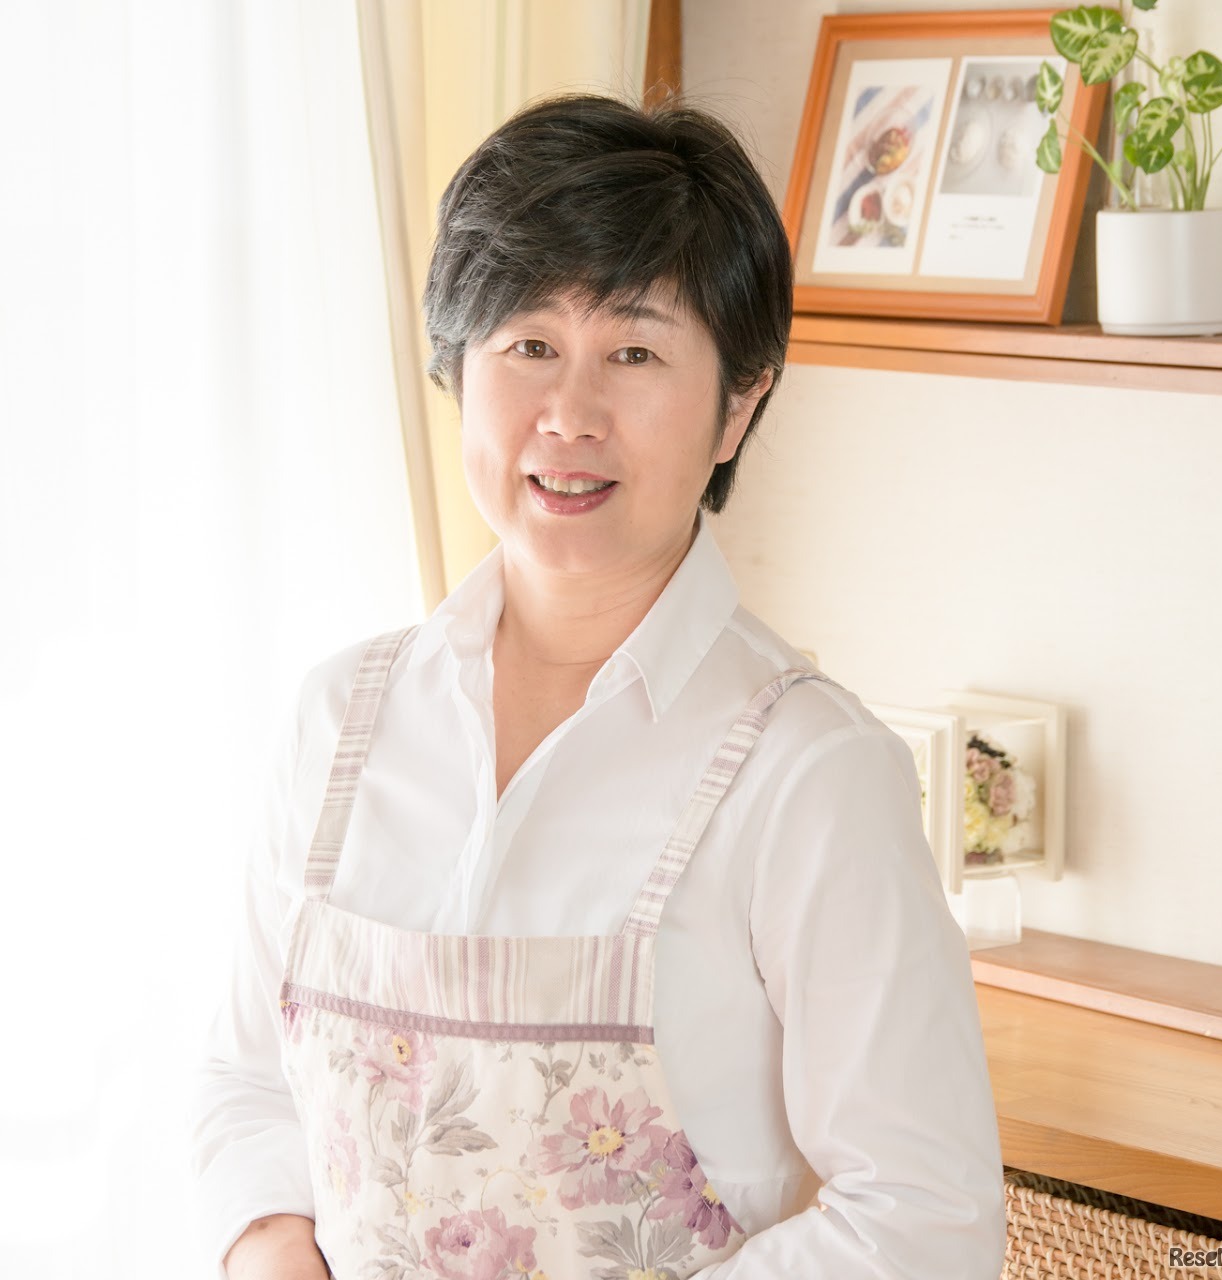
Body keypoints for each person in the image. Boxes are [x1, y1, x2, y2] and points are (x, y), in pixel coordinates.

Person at [192, 92, 1006, 1279]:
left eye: (632, 352)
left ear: (737, 403)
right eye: (527, 345)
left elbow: (925, 1217)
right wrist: (269, 1243)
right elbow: (246, 1077)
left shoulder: (808, 771)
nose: (568, 414)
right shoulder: (337, 721)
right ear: (456, 369)